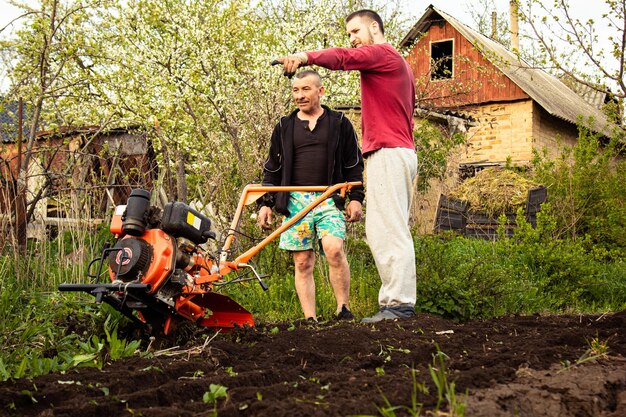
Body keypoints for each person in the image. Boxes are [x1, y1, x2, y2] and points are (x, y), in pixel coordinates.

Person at [273, 9, 417, 323]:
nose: (352, 40)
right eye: (349, 34)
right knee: (382, 230)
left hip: (390, 151)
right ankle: (395, 302)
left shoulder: (383, 54)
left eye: (356, 31)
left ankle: (400, 304)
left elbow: (342, 58)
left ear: (375, 28)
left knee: (390, 230)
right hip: (395, 151)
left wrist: (305, 56)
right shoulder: (397, 66)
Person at [257, 69, 364, 322]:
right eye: (296, 90)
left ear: (320, 91)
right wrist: (266, 203)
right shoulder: (284, 126)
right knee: (303, 261)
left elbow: (353, 164)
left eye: (306, 89)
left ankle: (343, 310)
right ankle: (310, 319)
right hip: (295, 201)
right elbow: (272, 167)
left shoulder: (339, 123)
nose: (300, 95)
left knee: (333, 248)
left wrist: (356, 198)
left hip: (329, 198)